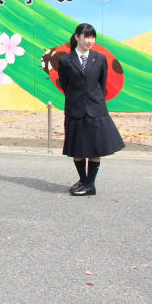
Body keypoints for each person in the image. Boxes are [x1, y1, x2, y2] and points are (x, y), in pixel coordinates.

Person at [57, 23, 124, 196]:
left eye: (92, 37)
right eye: (86, 36)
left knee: (96, 148)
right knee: (77, 149)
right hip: (75, 109)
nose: (90, 40)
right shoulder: (65, 60)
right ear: (77, 37)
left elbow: (101, 85)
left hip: (96, 108)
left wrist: (93, 99)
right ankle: (84, 180)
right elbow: (65, 85)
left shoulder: (100, 59)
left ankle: (89, 184)